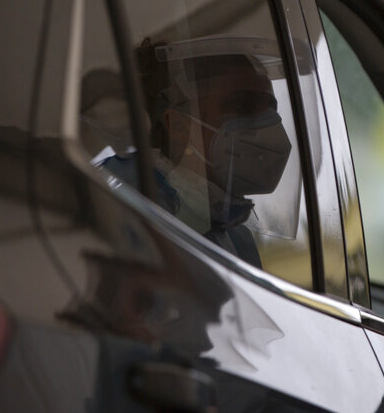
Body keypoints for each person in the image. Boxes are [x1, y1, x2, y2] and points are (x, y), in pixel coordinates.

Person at [80, 36, 294, 268]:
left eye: (271, 108)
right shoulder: (131, 216)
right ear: (180, 128)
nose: (269, 125)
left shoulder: (232, 234)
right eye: (242, 106)